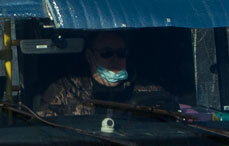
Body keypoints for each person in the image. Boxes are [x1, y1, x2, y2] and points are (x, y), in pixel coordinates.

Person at [37, 31, 165, 116]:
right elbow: (43, 131)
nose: (115, 59)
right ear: (89, 56)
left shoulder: (150, 91)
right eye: (106, 53)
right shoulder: (63, 90)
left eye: (121, 53)